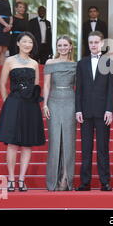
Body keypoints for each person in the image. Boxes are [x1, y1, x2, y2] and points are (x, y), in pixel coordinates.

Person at [0, 32, 45, 192]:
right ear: (18, 43)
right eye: (24, 41)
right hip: (14, 104)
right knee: (12, 143)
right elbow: (2, 84)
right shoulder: (9, 61)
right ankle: (11, 178)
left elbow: (36, 86)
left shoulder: (34, 63)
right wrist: (7, 103)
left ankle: (22, 179)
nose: (27, 44)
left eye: (30, 42)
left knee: (27, 144)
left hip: (30, 105)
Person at [75, 30, 113, 191]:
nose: (93, 45)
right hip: (84, 112)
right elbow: (78, 89)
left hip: (102, 112)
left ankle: (105, 182)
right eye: (91, 42)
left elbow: (111, 89)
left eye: (96, 42)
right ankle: (85, 182)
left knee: (102, 148)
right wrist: (78, 110)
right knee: (85, 149)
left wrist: (109, 109)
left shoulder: (109, 62)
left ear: (102, 43)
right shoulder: (81, 63)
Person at [43, 35, 77, 191]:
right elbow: (47, 85)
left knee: (69, 141)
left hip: (71, 100)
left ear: (70, 47)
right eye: (59, 45)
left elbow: (79, 87)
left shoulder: (75, 65)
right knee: (55, 140)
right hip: (54, 101)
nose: (62, 48)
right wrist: (45, 104)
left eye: (65, 45)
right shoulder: (50, 63)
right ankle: (53, 180)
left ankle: (65, 178)